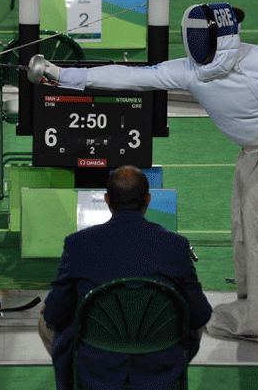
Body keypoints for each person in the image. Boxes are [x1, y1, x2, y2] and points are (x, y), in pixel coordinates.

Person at [29, 2, 258, 347]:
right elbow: (128, 75)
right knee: (249, 229)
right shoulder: (189, 72)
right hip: (254, 156)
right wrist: (60, 74)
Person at [40, 165, 212, 390]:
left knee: (44, 321)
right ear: (148, 200)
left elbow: (54, 315)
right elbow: (200, 315)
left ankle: (73, 379)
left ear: (107, 199)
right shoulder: (176, 246)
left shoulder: (78, 244)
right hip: (160, 362)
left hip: (97, 363)